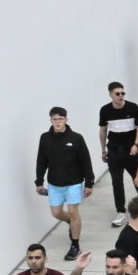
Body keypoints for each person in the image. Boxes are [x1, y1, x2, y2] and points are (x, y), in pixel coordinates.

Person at [36, 106, 97, 262]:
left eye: (60, 119)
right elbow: (41, 161)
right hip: (55, 184)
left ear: (66, 120)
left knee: (72, 211)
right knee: (56, 213)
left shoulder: (76, 138)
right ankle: (73, 223)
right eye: (54, 119)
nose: (58, 122)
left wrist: (89, 183)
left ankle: (75, 245)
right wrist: (39, 181)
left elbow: (85, 161)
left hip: (74, 182)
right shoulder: (45, 138)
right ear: (51, 120)